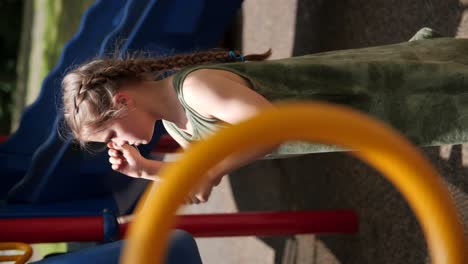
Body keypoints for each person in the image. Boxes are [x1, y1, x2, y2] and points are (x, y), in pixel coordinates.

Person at [61, 28, 468, 203]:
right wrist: (149, 170)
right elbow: (204, 177)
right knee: (432, 107)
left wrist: (207, 172)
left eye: (111, 133)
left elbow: (269, 130)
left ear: (124, 101)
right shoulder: (176, 124)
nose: (118, 144)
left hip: (355, 93)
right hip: (354, 116)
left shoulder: (197, 89)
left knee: (437, 88)